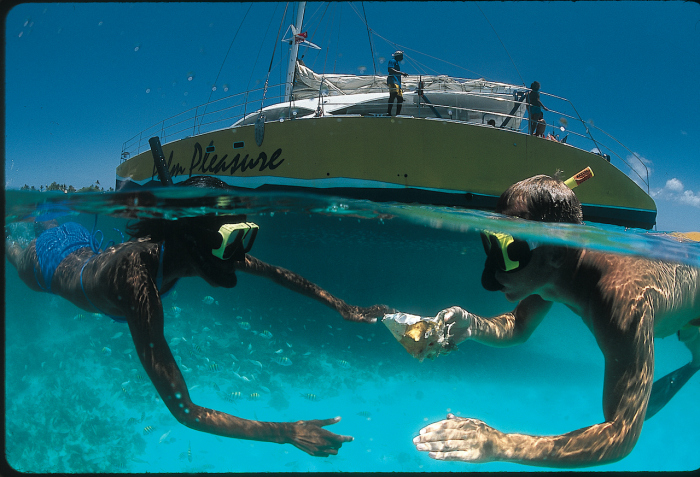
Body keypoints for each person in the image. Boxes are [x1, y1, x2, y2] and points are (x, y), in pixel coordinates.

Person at [5, 176, 391, 458]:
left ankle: (48, 220)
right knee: (15, 247)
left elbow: (276, 273)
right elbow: (186, 411)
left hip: (83, 243)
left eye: (245, 235)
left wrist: (344, 307)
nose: (239, 255)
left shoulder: (197, 250)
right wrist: (285, 432)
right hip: (47, 266)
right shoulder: (136, 279)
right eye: (231, 239)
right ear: (193, 239)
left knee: (52, 225)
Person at [411, 173, 700, 467]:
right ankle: (694, 365)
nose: (491, 276)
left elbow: (620, 436)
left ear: (558, 252)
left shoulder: (622, 301)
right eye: (490, 242)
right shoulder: (550, 272)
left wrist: (501, 444)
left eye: (508, 249)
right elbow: (519, 326)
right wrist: (473, 325)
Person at [387, 50, 409, 116]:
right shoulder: (392, 61)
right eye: (401, 56)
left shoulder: (396, 62)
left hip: (397, 82)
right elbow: (390, 69)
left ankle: (398, 114)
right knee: (393, 94)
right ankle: (389, 112)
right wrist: (401, 73)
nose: (402, 57)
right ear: (398, 56)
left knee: (400, 98)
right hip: (393, 80)